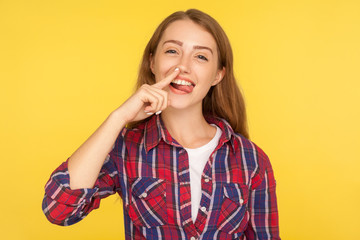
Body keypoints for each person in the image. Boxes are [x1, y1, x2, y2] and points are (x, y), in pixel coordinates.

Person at [42, 9, 280, 240]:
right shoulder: (126, 149)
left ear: (218, 75)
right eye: (172, 51)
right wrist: (118, 118)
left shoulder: (251, 160)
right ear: (153, 62)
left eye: (201, 56)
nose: (183, 66)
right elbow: (58, 210)